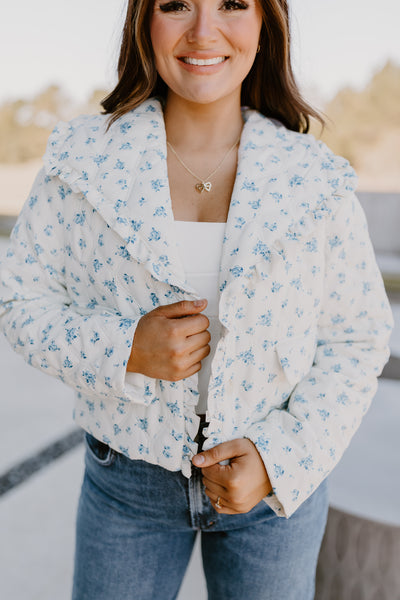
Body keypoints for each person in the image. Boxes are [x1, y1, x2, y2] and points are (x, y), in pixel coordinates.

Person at [0, 0, 393, 598]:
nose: (203, 31)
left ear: (266, 25)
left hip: (273, 491)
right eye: (176, 4)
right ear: (145, 22)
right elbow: (19, 302)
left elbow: (356, 338)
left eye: (233, 4)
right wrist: (125, 349)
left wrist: (280, 457)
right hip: (125, 480)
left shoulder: (315, 179)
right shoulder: (81, 162)